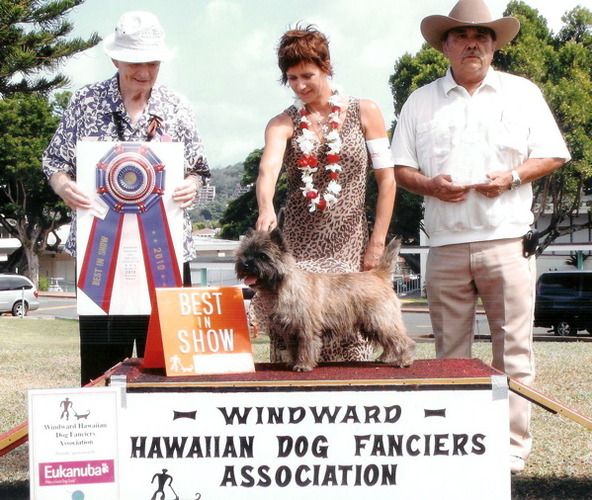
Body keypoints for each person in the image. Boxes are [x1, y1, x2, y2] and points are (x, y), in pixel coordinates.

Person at [390, 0, 571, 473]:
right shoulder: (420, 101)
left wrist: (512, 177)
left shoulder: (522, 93)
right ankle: (453, 443)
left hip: (507, 240)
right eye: (462, 36)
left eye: (482, 36)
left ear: (494, 46)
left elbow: (553, 153)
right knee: (449, 353)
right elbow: (401, 168)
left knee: (514, 350)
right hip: (445, 245)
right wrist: (430, 185)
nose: (473, 43)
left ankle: (512, 447)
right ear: (445, 45)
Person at [43, 11, 210, 386]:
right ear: (115, 58)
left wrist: (192, 184)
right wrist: (64, 186)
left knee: (168, 365)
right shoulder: (85, 102)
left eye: (153, 62)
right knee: (102, 369)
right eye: (136, 62)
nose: (145, 72)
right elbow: (54, 161)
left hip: (165, 257)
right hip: (101, 258)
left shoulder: (177, 106)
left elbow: (199, 166)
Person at [254, 25, 396, 363]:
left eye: (308, 75)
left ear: (326, 67)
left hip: (349, 245)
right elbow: (267, 170)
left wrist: (377, 241)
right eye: (292, 78)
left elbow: (388, 181)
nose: (300, 85)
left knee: (352, 336)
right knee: (297, 337)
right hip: (298, 252)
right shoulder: (282, 123)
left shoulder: (365, 111)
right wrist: (265, 206)